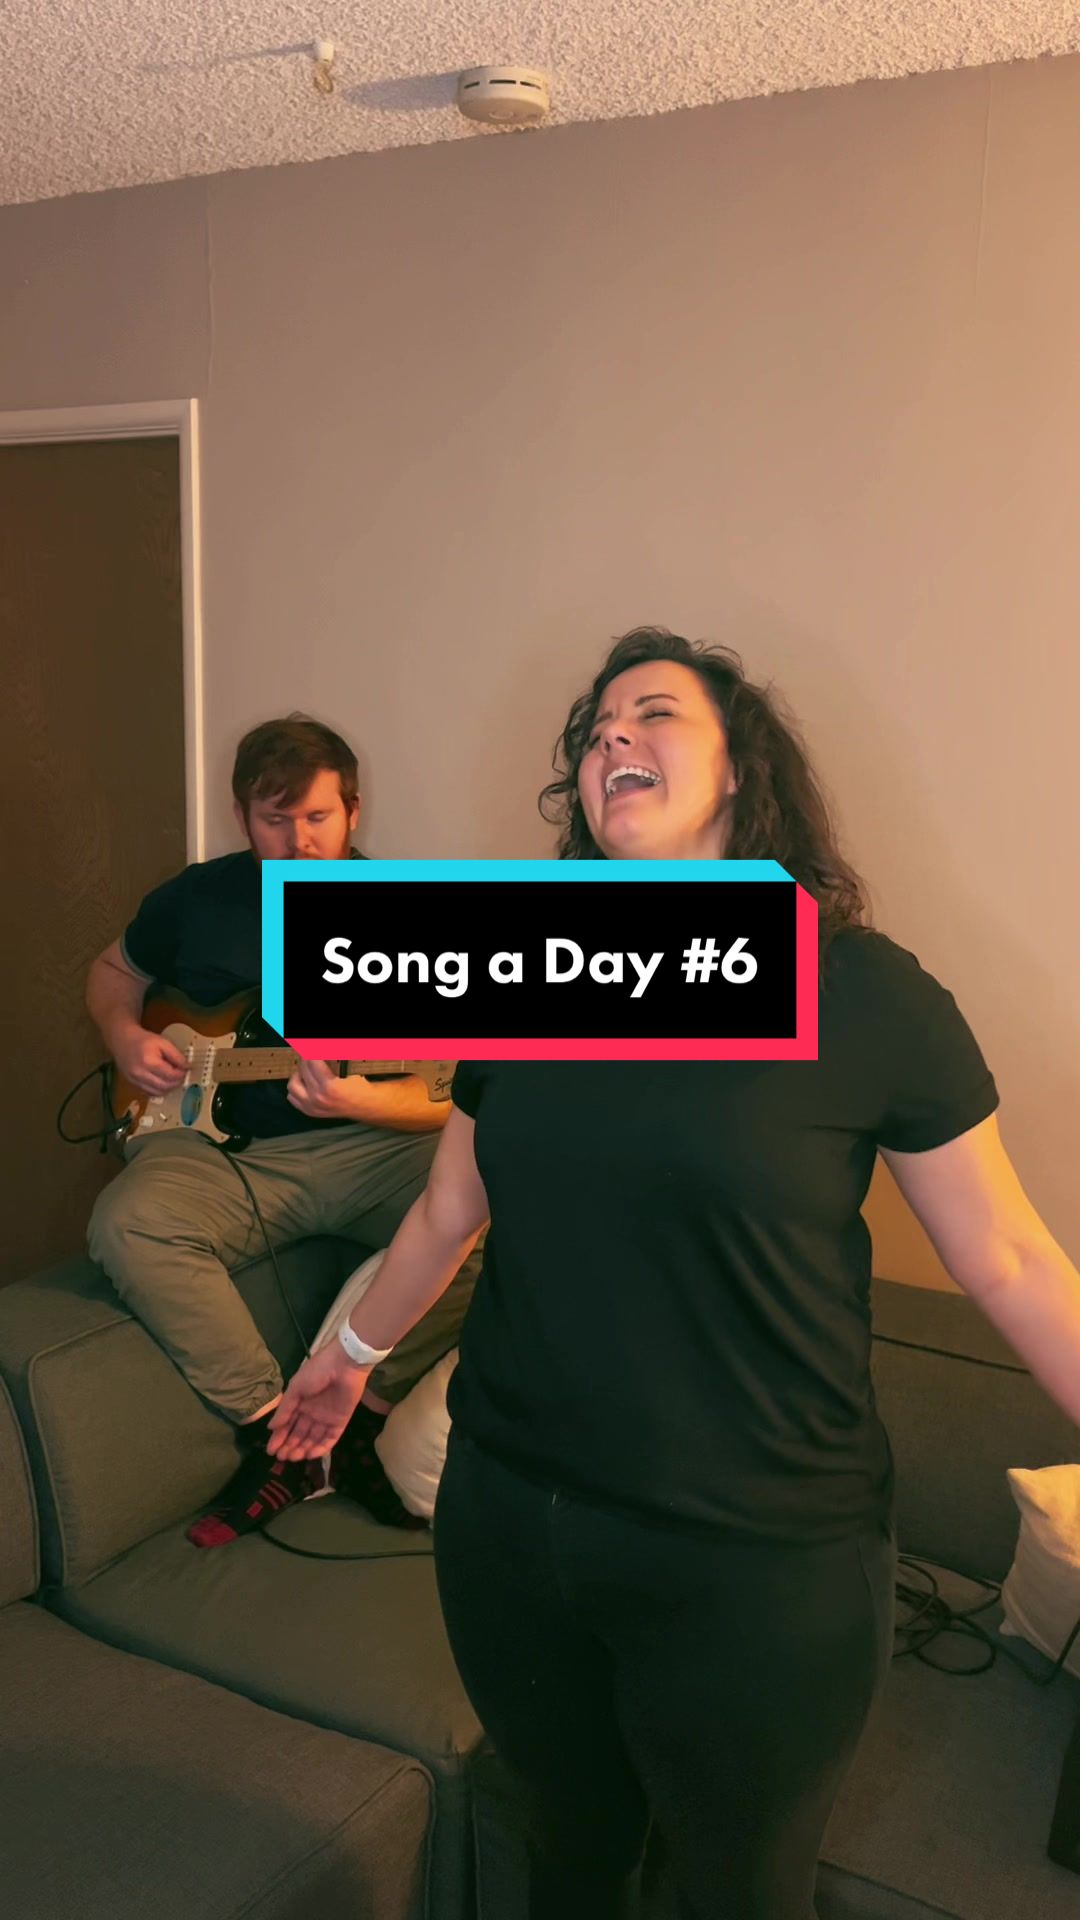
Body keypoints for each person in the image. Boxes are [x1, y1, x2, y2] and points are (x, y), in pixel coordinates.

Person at [266, 631, 1080, 1920]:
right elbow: (449, 1210)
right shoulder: (533, 976)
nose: (611, 738)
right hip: (514, 1524)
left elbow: (1015, 1256)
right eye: (595, 728)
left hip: (758, 1561)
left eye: (652, 714)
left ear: (743, 772)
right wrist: (349, 1358)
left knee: (737, 1894)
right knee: (566, 1859)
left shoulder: (862, 991)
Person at [86, 714, 480, 1547]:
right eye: (275, 820)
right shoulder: (196, 897)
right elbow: (114, 972)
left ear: (354, 812)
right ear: (241, 816)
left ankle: (361, 1417)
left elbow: (449, 1096)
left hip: (367, 1151)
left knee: (501, 1206)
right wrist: (124, 1037)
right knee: (126, 1223)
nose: (299, 841)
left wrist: (361, 1104)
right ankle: (279, 1436)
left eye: (317, 817)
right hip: (222, 1156)